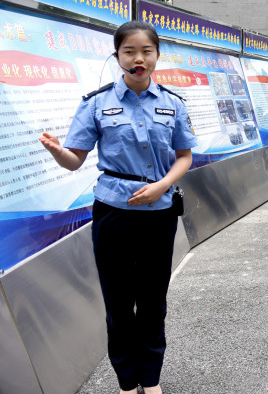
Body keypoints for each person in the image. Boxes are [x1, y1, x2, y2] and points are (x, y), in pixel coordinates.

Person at [38, 21, 197, 394]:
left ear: (157, 55)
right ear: (117, 56)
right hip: (112, 214)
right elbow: (75, 159)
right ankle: (128, 381)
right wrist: (58, 151)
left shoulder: (173, 104)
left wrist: (161, 185)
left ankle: (151, 379)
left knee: (154, 300)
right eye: (129, 51)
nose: (138, 59)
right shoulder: (96, 103)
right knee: (119, 303)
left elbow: (185, 157)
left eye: (146, 51)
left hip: (159, 214)